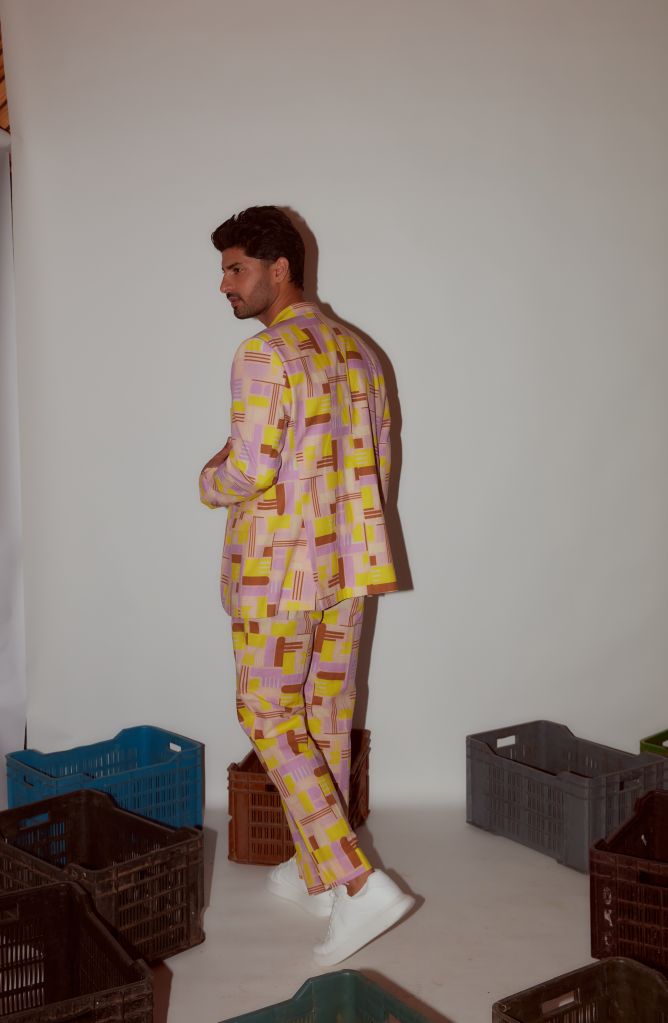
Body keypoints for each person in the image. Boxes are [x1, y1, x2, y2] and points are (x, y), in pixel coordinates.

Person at [199, 205, 414, 965]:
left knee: (265, 710)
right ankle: (317, 869)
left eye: (236, 268)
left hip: (276, 572)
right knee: (327, 716)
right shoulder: (360, 352)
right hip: (348, 566)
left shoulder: (263, 354)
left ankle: (356, 883)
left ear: (280, 268)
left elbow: (249, 468)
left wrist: (207, 480)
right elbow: (380, 466)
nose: (225, 284)